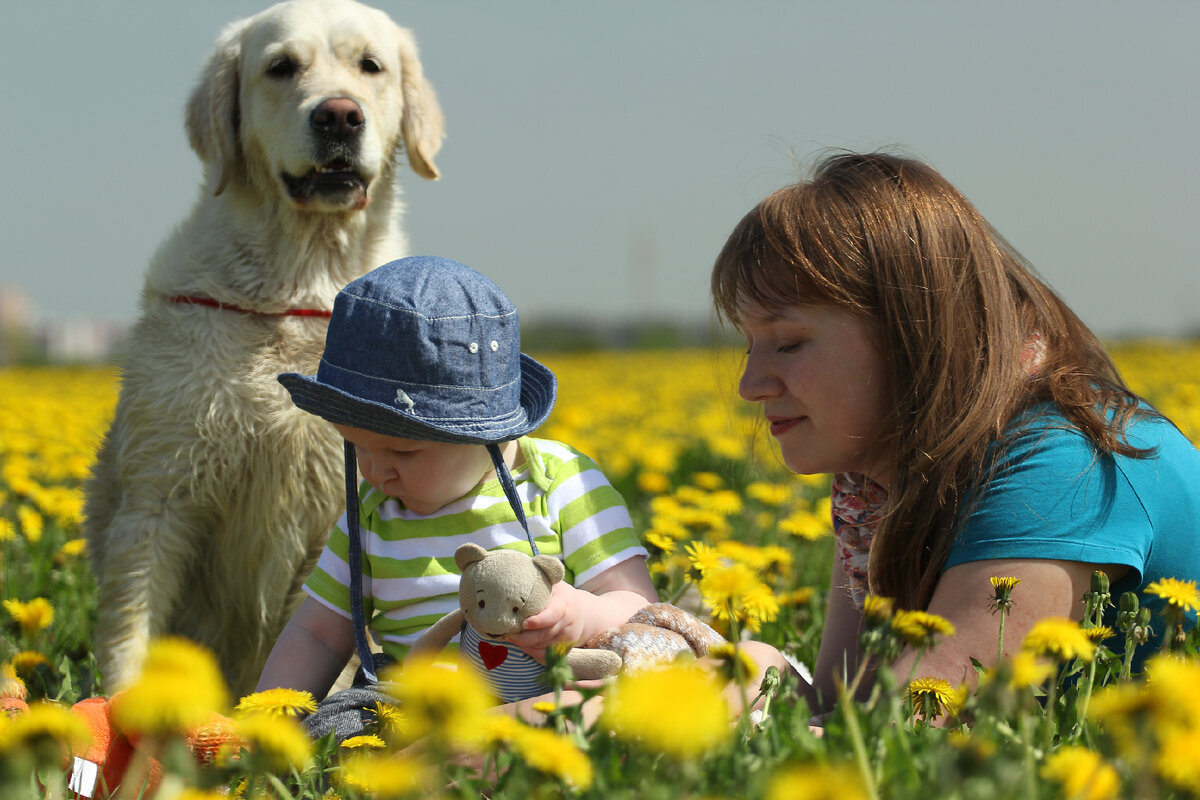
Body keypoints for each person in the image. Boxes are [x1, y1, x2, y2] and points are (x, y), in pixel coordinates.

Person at [709, 151, 1200, 716]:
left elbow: (917, 728)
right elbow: (844, 704)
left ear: (911, 333)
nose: (750, 385)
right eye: (749, 345)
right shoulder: (871, 483)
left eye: (788, 343)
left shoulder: (1063, 467)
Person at [257, 255, 656, 725]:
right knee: (336, 733)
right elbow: (319, 634)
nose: (377, 473)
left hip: (540, 696)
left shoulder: (563, 482)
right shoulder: (369, 514)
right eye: (356, 447)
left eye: (403, 453)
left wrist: (582, 615)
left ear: (483, 432)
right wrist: (263, 723)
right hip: (409, 708)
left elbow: (639, 606)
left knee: (612, 708)